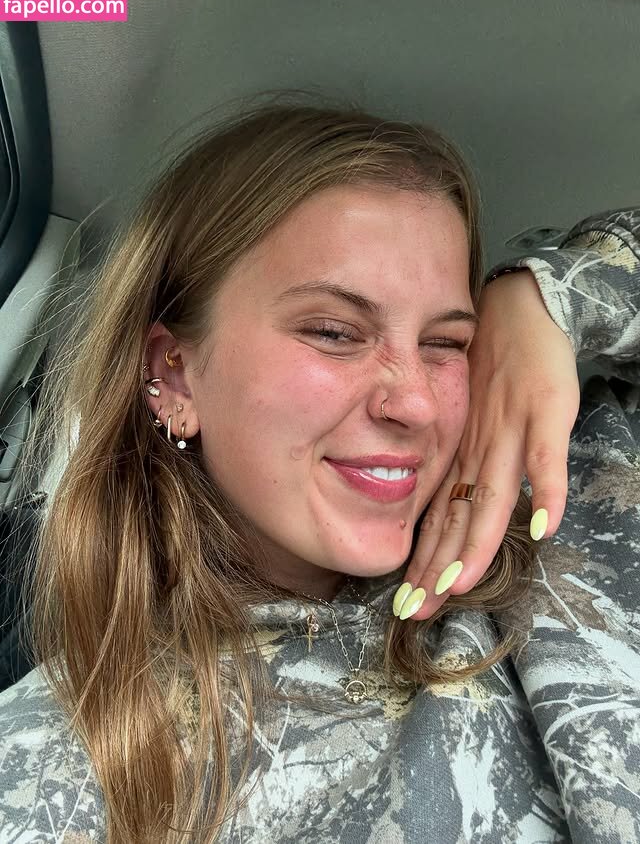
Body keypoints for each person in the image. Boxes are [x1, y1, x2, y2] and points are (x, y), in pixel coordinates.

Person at [0, 96, 637, 843]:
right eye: (335, 332)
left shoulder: (575, 497)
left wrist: (546, 298)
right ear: (174, 374)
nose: (415, 404)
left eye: (447, 343)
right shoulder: (48, 771)